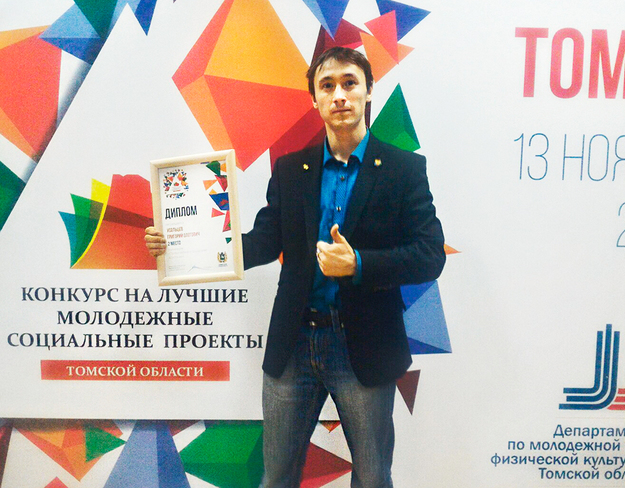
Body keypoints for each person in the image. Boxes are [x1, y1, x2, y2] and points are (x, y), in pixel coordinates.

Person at [146, 46, 445, 488]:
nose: (339, 95)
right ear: (315, 99)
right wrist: (180, 247)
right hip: (295, 344)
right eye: (327, 86)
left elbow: (430, 254)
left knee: (372, 477)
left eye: (349, 83)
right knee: (277, 477)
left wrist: (359, 263)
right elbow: (264, 242)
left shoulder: (403, 170)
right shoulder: (290, 169)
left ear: (368, 91)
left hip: (364, 346)